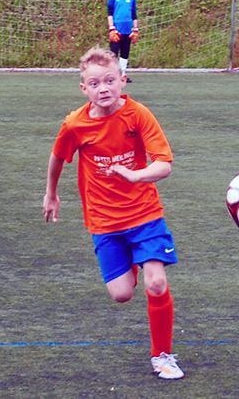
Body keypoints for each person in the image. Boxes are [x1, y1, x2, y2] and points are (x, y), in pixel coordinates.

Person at [43, 47, 183, 380]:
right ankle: (137, 259)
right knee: (121, 294)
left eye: (109, 80)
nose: (103, 88)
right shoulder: (75, 124)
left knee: (157, 283)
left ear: (122, 80)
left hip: (145, 215)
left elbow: (163, 165)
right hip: (104, 222)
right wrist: (51, 194)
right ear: (84, 89)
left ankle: (162, 355)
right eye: (94, 83)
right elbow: (58, 157)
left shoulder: (138, 115)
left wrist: (136, 175)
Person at [107, 0, 139, 83]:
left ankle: (123, 74)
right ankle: (112, 75)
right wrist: (111, 28)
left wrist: (135, 29)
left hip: (127, 30)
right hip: (117, 30)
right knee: (114, 53)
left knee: (125, 53)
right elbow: (110, 14)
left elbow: (134, 15)